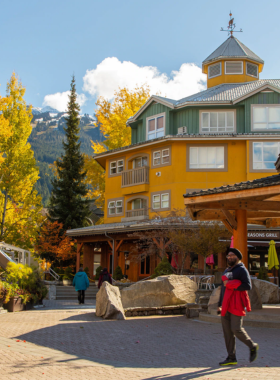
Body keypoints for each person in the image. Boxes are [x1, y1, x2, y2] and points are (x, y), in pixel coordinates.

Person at [218, 248, 259, 366]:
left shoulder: (242, 270)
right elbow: (223, 289)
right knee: (227, 332)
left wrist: (231, 285)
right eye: (228, 256)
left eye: (232, 255)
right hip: (225, 304)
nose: (229, 257)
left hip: (236, 304)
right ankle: (231, 357)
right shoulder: (226, 270)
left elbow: (247, 286)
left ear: (237, 257)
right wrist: (219, 305)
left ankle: (252, 346)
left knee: (236, 328)